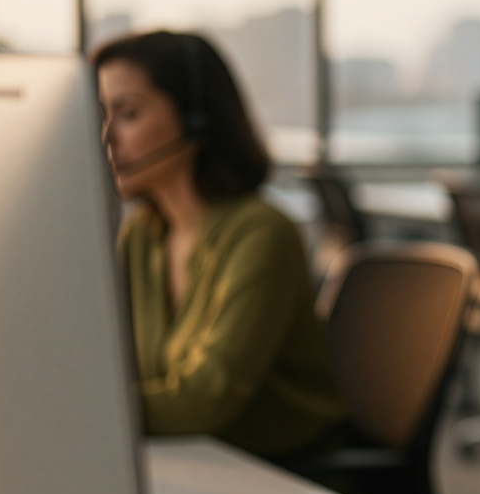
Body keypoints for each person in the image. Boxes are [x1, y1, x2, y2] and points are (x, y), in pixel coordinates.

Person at [94, 31, 344, 459]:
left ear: (197, 118)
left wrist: (74, 412)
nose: (106, 138)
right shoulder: (144, 236)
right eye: (100, 115)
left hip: (282, 479)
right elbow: (121, 371)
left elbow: (201, 403)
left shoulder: (262, 233)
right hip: (193, 463)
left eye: (128, 114)